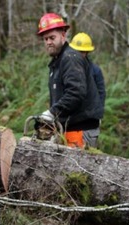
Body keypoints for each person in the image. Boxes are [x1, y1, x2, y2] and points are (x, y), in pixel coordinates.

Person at [37, 13, 103, 148]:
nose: (49, 42)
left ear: (63, 35)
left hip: (80, 130)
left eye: (52, 37)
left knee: (77, 169)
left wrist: (53, 112)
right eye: (45, 39)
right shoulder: (58, 61)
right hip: (68, 128)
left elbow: (76, 92)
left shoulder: (70, 58)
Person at [69, 32, 106, 148]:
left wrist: (96, 115)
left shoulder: (95, 71)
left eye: (82, 52)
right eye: (76, 51)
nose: (79, 54)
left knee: (88, 155)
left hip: (89, 122)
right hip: (70, 121)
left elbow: (101, 94)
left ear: (87, 52)